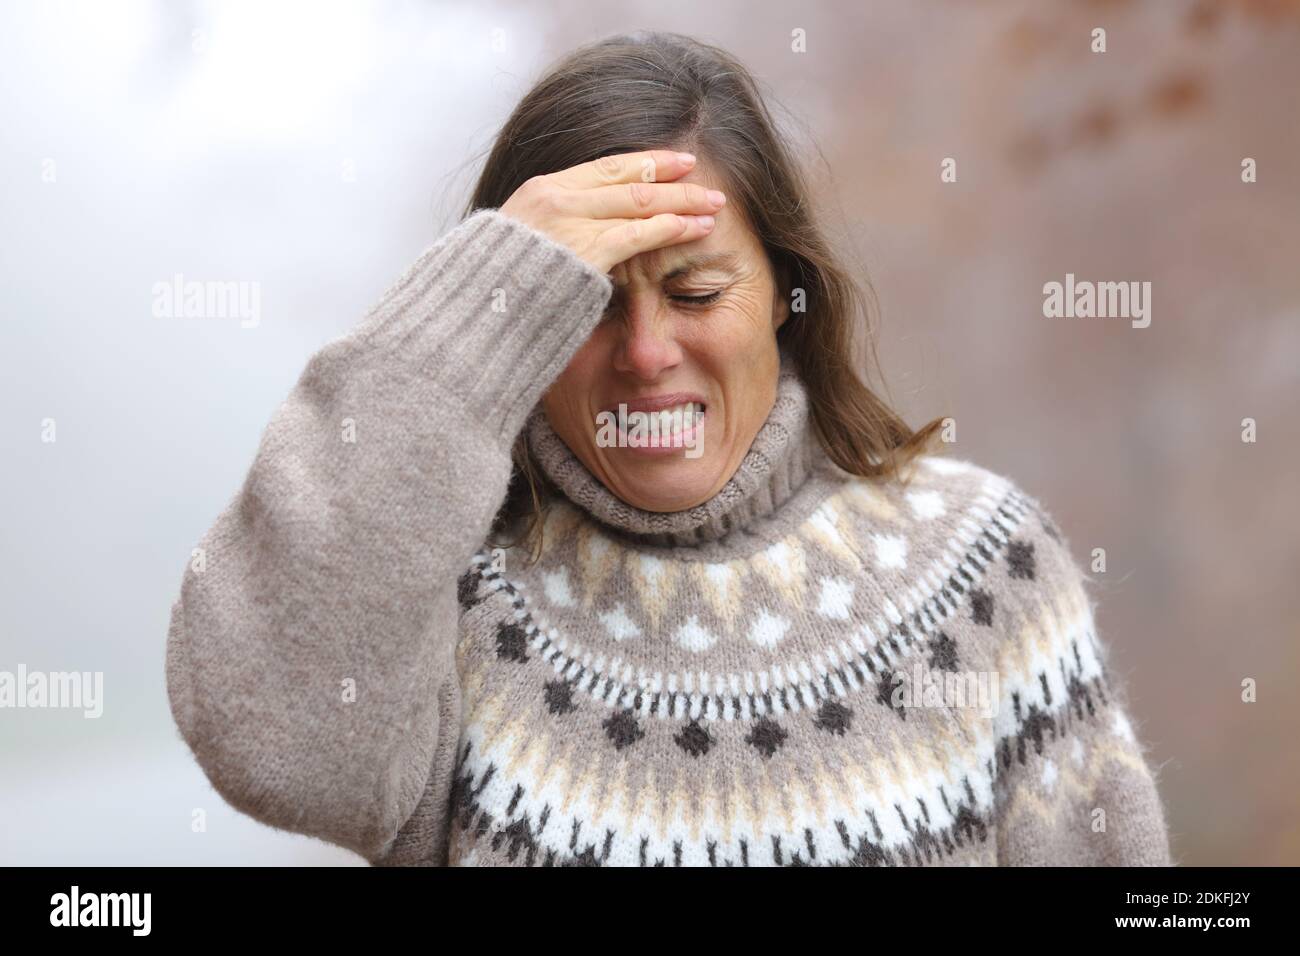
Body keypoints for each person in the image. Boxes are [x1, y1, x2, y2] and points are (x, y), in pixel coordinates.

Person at [165, 31, 1172, 866]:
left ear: (786, 291)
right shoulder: (447, 612)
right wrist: (491, 282)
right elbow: (268, 735)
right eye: (586, 304)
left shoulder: (983, 567)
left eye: (694, 291)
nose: (647, 354)